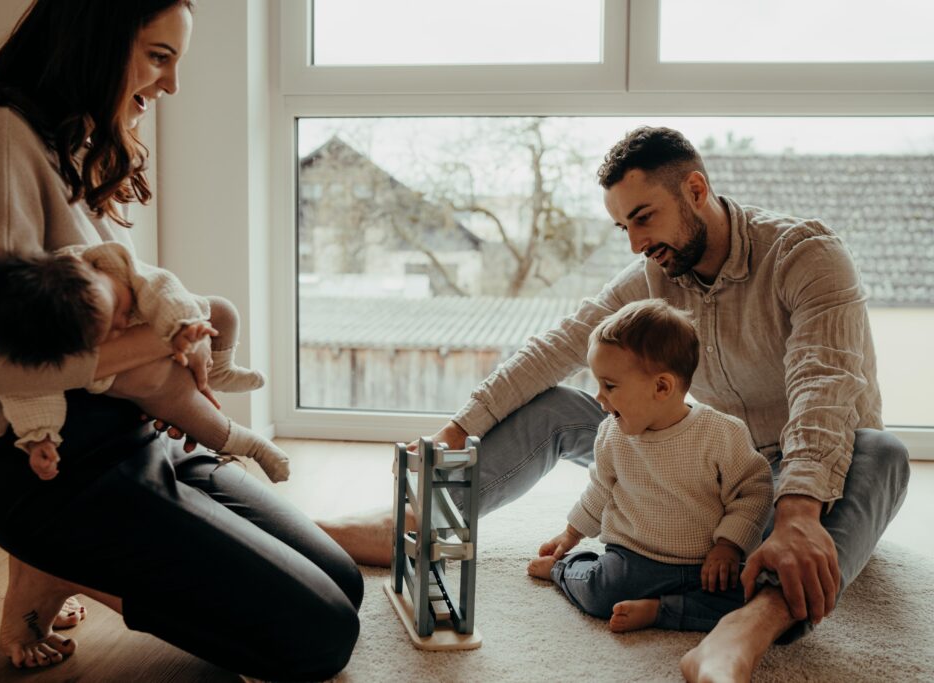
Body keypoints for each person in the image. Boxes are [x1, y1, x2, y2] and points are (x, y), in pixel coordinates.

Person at [324, 127, 910, 682]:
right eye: (621, 227)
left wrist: (799, 515)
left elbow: (823, 386)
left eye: (643, 217)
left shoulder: (805, 255)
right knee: (557, 403)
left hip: (794, 480)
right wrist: (455, 432)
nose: (635, 242)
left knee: (882, 451)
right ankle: (424, 519)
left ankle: (752, 623)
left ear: (696, 190)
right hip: (690, 451)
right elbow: (555, 347)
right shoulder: (654, 271)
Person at [0, 1, 361, 678]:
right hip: (48, 470)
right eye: (159, 57)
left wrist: (169, 356)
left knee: (344, 583)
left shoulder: (67, 144)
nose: (170, 85)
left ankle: (68, 565)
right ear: (89, 40)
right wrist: (158, 348)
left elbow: (116, 310)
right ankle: (52, 569)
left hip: (134, 436)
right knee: (321, 637)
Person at [526, 299, 773, 634]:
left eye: (610, 386)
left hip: (709, 565)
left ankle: (661, 612)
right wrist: (571, 535)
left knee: (760, 602)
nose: (599, 396)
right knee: (602, 594)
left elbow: (753, 492)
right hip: (634, 561)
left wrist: (729, 545)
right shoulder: (611, 434)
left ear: (661, 387)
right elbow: (600, 489)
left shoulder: (720, 433)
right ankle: (563, 570)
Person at [0, 243, 290, 483]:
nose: (123, 325)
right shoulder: (48, 340)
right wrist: (39, 436)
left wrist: (183, 324)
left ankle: (220, 369)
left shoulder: (111, 262)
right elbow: (30, 391)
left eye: (120, 308)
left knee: (222, 310)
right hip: (144, 383)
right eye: (110, 331)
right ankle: (254, 446)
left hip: (170, 323)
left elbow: (162, 286)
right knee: (193, 413)